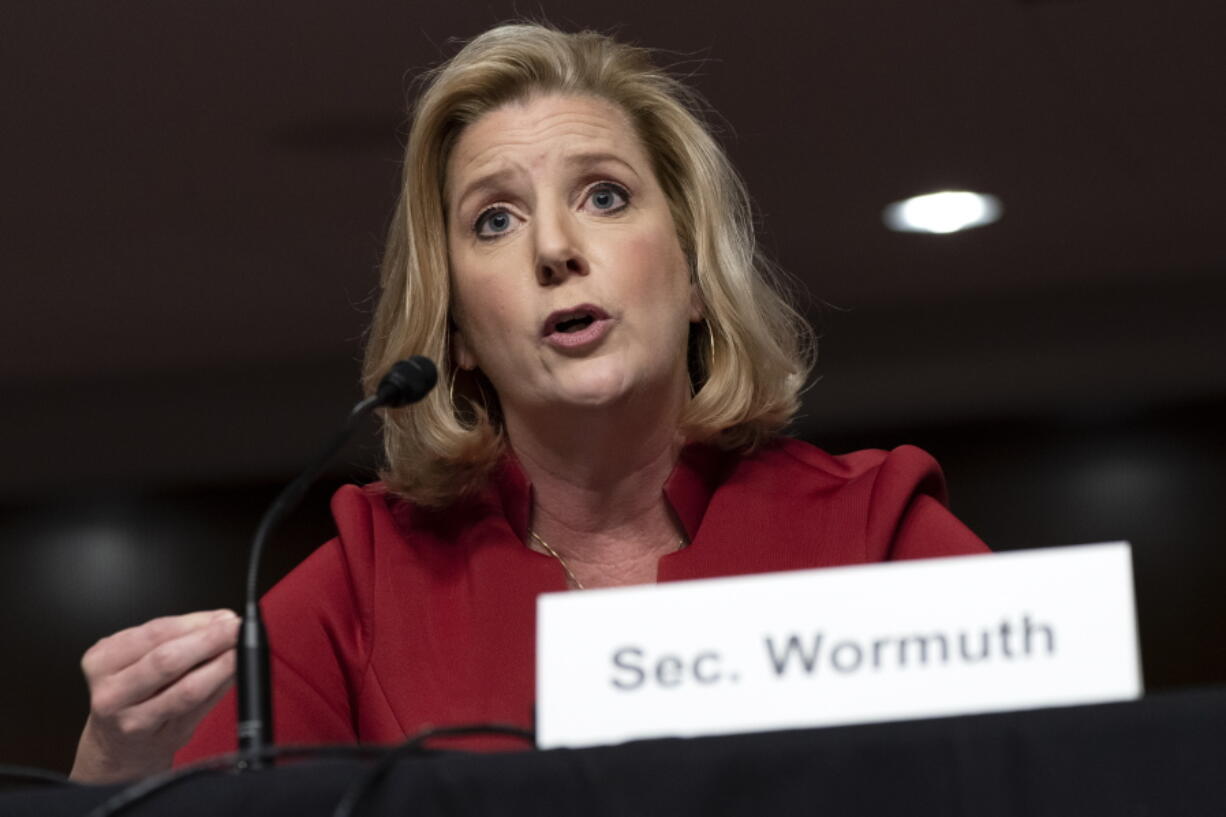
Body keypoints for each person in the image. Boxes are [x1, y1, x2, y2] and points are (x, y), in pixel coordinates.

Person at [69, 23, 989, 783]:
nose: (553, 245)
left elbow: (1069, 770)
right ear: (459, 328)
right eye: (493, 220)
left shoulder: (876, 534)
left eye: (604, 195)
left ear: (697, 274)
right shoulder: (363, 582)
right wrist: (113, 767)